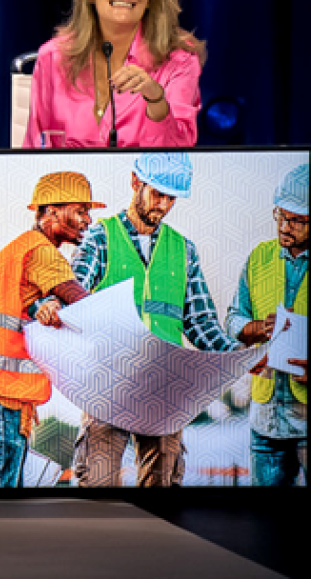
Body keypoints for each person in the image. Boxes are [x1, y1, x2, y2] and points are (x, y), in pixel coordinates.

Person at [68, 153, 257, 487]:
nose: (164, 205)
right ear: (135, 183)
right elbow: (71, 303)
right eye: (158, 194)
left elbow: (201, 325)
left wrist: (239, 355)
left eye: (172, 198)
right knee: (97, 486)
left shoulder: (183, 250)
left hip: (165, 387)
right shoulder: (99, 239)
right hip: (108, 382)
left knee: (164, 489)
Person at [0, 171, 98, 487]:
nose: (88, 220)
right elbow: (84, 306)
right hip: (3, 400)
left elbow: (25, 309)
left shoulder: (17, 250)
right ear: (50, 211)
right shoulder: (42, 252)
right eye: (80, 211)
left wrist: (44, 307)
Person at [24, 0, 206, 148]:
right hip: (69, 182)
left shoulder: (179, 60)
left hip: (141, 183)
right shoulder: (53, 58)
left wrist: (156, 99)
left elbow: (178, 157)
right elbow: (32, 152)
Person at [225, 164, 308, 486]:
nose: (285, 227)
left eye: (298, 221)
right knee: (265, 520)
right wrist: (259, 328)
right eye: (281, 216)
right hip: (266, 421)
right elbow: (233, 319)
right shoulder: (259, 257)